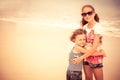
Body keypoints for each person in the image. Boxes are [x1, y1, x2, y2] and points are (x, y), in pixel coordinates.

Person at [72, 5, 106, 80]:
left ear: (94, 13)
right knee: (88, 78)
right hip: (86, 57)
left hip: (95, 58)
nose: (87, 15)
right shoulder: (84, 27)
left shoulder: (98, 27)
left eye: (89, 13)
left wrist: (81, 57)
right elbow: (80, 42)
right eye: (84, 14)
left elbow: (94, 47)